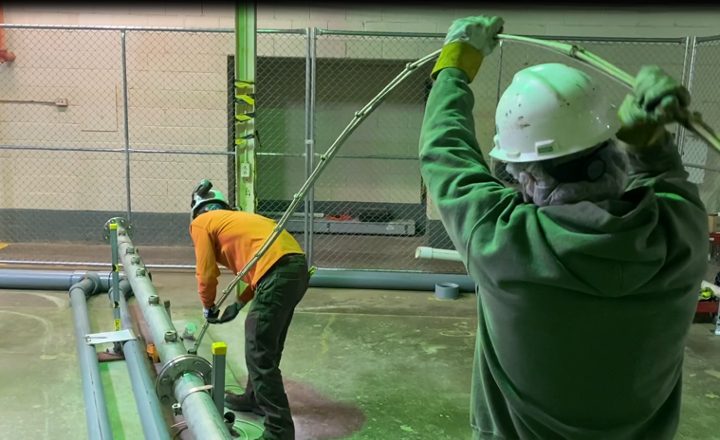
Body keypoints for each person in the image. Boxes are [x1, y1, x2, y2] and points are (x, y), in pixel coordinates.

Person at [420, 15, 707, 440]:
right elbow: (664, 181)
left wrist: (455, 63)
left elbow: (445, 149)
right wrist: (652, 142)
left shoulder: (504, 241)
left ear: (527, 177)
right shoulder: (679, 231)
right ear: (612, 152)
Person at [189, 179, 309, 440]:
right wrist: (239, 303)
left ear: (197, 210)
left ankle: (279, 431)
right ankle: (253, 398)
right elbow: (260, 268)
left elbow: (206, 273)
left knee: (258, 349)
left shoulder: (201, 223)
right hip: (295, 271)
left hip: (278, 273)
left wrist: (207, 305)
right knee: (267, 343)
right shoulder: (240, 220)